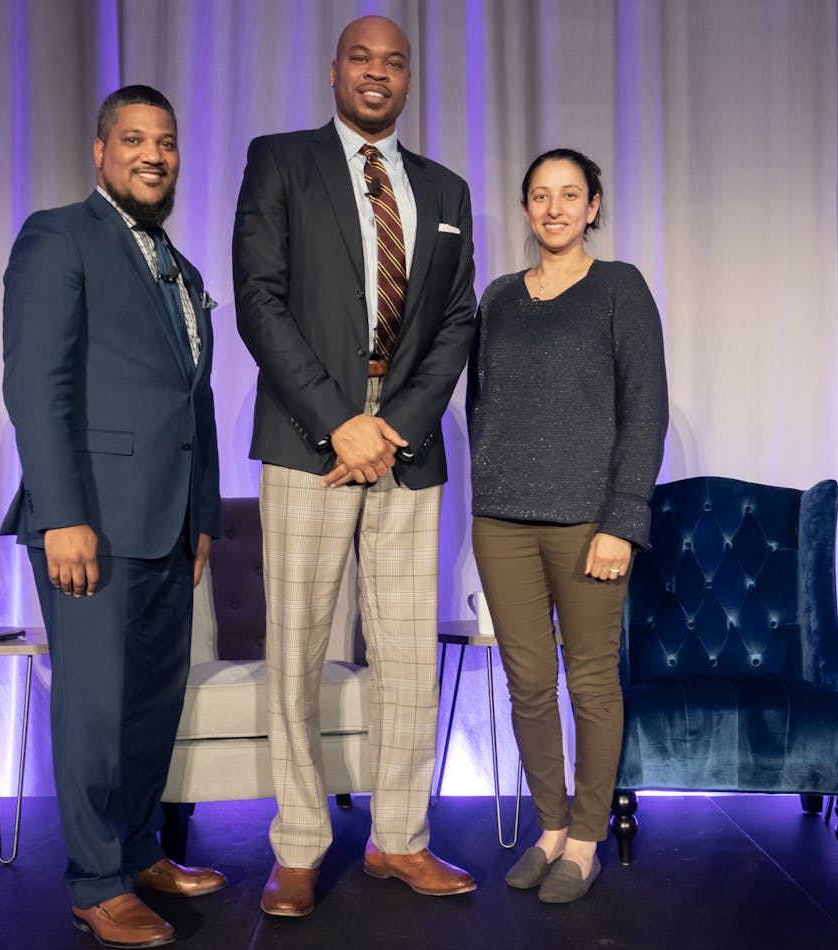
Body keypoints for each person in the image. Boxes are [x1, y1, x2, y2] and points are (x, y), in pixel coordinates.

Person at [233, 14, 478, 917]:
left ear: (409, 79)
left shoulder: (445, 187)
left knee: (411, 654)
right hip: (309, 438)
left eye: (395, 62)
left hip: (408, 451)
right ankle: (298, 846)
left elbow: (457, 323)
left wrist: (396, 424)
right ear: (335, 70)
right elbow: (258, 300)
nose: (378, 74)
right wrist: (339, 420)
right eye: (362, 58)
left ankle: (400, 840)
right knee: (296, 646)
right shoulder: (280, 161)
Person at [1, 84, 224, 949]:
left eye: (165, 142)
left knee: (148, 707)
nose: (153, 155)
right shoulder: (59, 236)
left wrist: (202, 512)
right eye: (133, 139)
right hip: (88, 520)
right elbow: (36, 384)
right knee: (95, 710)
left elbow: (191, 401)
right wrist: (61, 513)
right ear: (101, 151)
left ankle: (136, 851)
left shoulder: (179, 266)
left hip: (168, 525)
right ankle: (96, 883)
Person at [467, 148, 668, 904]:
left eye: (570, 195)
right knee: (526, 683)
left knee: (588, 679)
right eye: (540, 196)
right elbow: (480, 401)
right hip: (502, 521)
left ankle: (585, 839)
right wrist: (488, 482)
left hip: (589, 522)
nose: (554, 208)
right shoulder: (498, 297)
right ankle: (548, 827)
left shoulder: (619, 289)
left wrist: (622, 520)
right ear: (526, 208)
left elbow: (645, 411)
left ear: (593, 206)